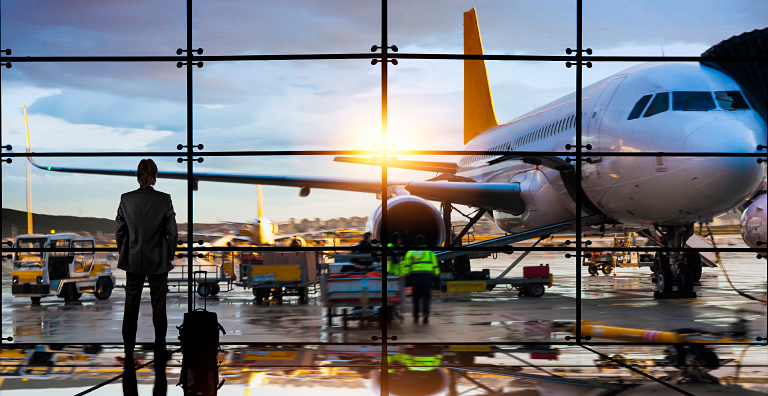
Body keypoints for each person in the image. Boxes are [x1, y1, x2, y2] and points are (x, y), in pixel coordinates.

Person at [116, 159, 177, 396]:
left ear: (137, 175)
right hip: (158, 260)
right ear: (155, 176)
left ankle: (129, 351)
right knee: (158, 306)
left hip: (133, 259)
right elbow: (172, 232)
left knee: (130, 306)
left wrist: (128, 249)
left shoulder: (126, 199)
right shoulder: (164, 199)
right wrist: (168, 254)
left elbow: (120, 231)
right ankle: (160, 349)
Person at [402, 234, 440, 324]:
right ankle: (426, 315)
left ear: (415, 242)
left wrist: (406, 278)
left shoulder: (410, 252)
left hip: (415, 278)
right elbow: (435, 265)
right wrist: (437, 277)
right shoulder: (430, 252)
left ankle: (416, 316)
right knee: (426, 297)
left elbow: (406, 266)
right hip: (427, 277)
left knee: (416, 298)